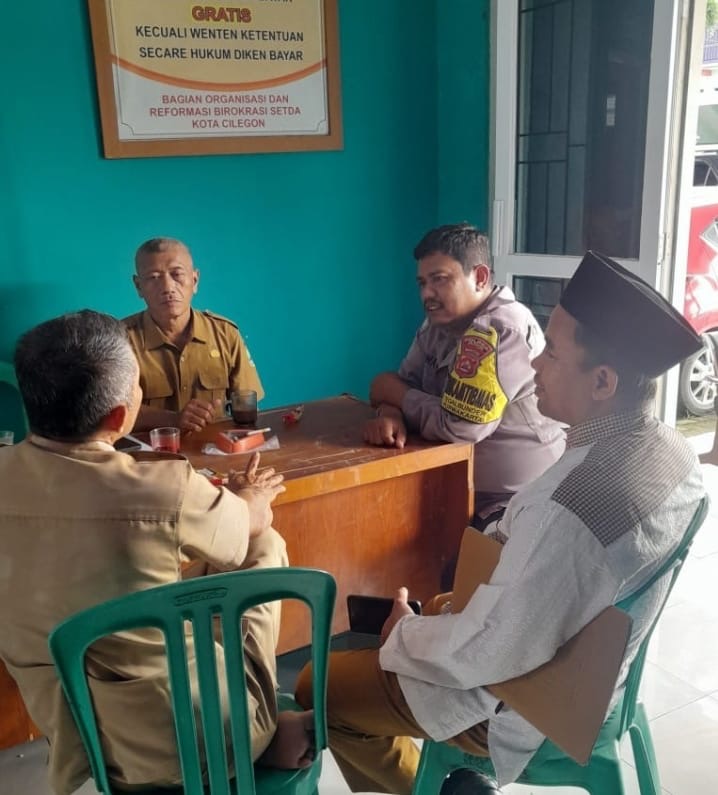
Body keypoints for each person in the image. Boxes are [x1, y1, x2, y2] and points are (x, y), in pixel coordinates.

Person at [296, 250, 707, 795]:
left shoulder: (570, 508)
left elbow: (491, 651)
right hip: (595, 670)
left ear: (603, 381)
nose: (535, 366)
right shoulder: (676, 454)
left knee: (316, 686)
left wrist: (405, 637)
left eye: (552, 353)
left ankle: (430, 787)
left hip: (529, 701)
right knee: (437, 608)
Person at [0, 311, 312, 795]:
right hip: (193, 742)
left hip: (82, 741)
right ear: (119, 416)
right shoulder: (163, 487)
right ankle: (260, 729)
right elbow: (248, 527)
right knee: (262, 547)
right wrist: (251, 498)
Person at [364, 224, 565, 533]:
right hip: (454, 482)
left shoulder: (500, 328)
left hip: (514, 502)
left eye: (440, 279)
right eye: (422, 283)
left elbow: (460, 427)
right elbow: (405, 381)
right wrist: (390, 412)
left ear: (480, 277)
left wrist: (395, 395)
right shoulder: (438, 325)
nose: (426, 294)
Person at [124, 237, 263, 432]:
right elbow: (110, 412)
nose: (167, 287)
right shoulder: (119, 342)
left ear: (195, 280)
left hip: (216, 447)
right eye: (154, 277)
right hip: (150, 451)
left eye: (177, 274)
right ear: (139, 286)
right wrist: (172, 419)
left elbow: (248, 405)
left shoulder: (225, 334)